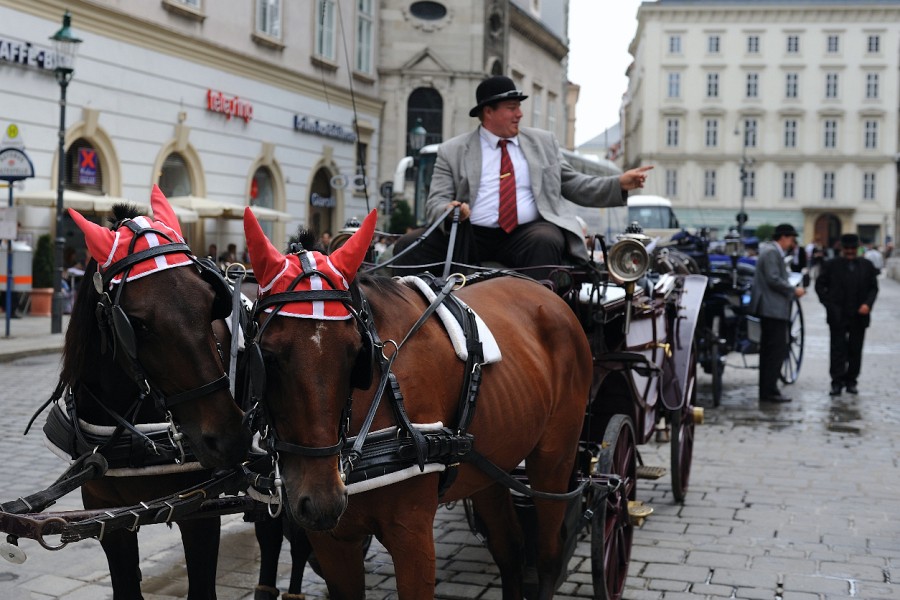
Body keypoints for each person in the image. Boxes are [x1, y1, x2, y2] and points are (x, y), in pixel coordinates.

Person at [394, 75, 652, 277]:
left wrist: (618, 183)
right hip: (469, 233)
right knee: (407, 246)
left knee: (546, 239)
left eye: (519, 107)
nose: (520, 114)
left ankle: (541, 319)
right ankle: (409, 324)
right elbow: (435, 202)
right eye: (512, 108)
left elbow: (573, 183)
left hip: (525, 233)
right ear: (488, 112)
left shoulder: (543, 143)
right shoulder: (453, 150)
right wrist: (450, 210)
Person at [747, 223, 806, 403]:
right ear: (784, 238)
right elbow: (773, 279)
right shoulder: (772, 252)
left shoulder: (770, 251)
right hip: (772, 308)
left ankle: (768, 389)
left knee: (770, 351)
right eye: (791, 239)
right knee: (774, 351)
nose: (792, 243)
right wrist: (792, 290)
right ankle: (769, 390)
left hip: (772, 307)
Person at [815, 233, 878, 396]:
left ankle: (852, 380)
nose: (850, 251)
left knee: (855, 349)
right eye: (847, 248)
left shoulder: (866, 266)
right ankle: (836, 381)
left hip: (859, 314)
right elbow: (820, 286)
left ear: (857, 249)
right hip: (838, 314)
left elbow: (873, 288)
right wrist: (829, 304)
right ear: (842, 249)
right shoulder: (831, 265)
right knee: (837, 349)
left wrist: (868, 304)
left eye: (853, 248)